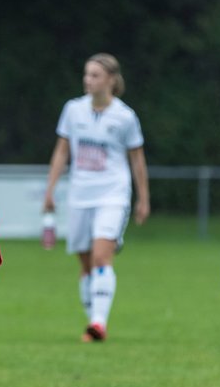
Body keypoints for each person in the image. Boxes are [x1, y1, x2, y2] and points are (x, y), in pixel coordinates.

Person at [42, 54, 150, 342]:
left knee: (102, 256)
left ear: (111, 80)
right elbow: (62, 151)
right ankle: (93, 319)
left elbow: (137, 159)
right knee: (86, 263)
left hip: (113, 193)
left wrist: (143, 198)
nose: (88, 80)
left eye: (95, 75)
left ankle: (98, 323)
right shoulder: (73, 110)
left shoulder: (125, 116)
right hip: (80, 194)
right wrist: (50, 190)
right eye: (87, 74)